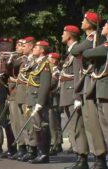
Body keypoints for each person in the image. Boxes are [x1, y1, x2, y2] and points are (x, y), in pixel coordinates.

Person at [70, 11, 107, 169]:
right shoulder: (92, 39)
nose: (81, 22)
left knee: (100, 124)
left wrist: (85, 52)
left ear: (91, 24)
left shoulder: (95, 38)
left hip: (96, 85)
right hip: (92, 85)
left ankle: (100, 158)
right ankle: (96, 157)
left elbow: (78, 51)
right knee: (91, 124)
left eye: (84, 20)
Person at [60, 25, 89, 169]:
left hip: (73, 93)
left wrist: (77, 96)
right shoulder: (70, 51)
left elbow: (79, 74)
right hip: (67, 93)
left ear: (70, 35)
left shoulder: (77, 51)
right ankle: (78, 157)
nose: (61, 35)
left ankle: (82, 158)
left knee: (77, 127)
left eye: (64, 33)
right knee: (73, 127)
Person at [82, 19, 108, 169]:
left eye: (106, 25)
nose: (104, 26)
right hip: (101, 90)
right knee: (103, 128)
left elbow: (88, 52)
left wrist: (90, 51)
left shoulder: (105, 46)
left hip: (105, 91)